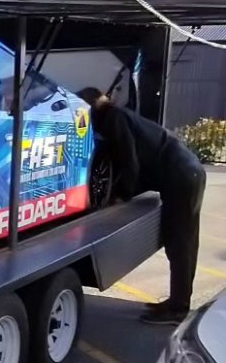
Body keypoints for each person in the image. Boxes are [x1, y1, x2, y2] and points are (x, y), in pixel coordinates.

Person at [77, 87, 207, 325]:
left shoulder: (113, 118)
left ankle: (177, 310)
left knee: (180, 244)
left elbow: (130, 162)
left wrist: (121, 196)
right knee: (182, 242)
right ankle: (177, 303)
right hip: (185, 172)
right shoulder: (118, 115)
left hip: (181, 175)